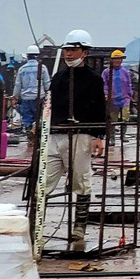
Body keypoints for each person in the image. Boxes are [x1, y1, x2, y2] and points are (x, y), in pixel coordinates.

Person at [45, 30, 107, 252]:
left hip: (81, 135)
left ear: (85, 52)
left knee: (81, 180)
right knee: (43, 183)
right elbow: (49, 105)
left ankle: (79, 226)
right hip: (55, 135)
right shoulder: (58, 78)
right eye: (66, 50)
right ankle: (35, 224)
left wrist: (98, 136)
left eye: (73, 50)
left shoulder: (93, 80)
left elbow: (100, 108)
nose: (68, 54)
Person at [101, 49, 135, 145]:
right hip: (112, 99)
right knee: (112, 119)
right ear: (112, 60)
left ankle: (123, 135)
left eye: (119, 59)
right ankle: (112, 138)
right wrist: (106, 94)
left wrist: (130, 94)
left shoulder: (125, 72)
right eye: (115, 59)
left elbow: (129, 84)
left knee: (125, 117)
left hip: (124, 98)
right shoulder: (106, 72)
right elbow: (104, 84)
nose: (117, 61)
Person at [14, 45, 50, 134]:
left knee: (27, 119)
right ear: (37, 56)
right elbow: (47, 84)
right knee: (40, 119)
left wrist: (15, 97)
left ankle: (30, 136)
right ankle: (37, 137)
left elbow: (18, 85)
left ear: (27, 56)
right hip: (39, 98)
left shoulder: (22, 69)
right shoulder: (42, 68)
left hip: (26, 99)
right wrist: (48, 95)